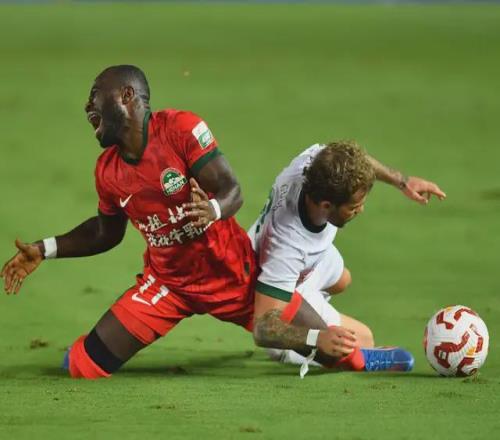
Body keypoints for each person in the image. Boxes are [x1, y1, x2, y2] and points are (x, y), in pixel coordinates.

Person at [0, 65, 257, 379]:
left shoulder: (180, 129)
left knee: (303, 340)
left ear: (126, 95)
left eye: (95, 94)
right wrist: (44, 249)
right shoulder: (107, 171)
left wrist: (213, 210)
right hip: (168, 285)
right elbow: (104, 233)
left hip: (231, 272)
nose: (87, 105)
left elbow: (232, 189)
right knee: (82, 364)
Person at [248, 141, 446, 374]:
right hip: (280, 286)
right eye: (353, 207)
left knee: (343, 279)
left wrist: (402, 182)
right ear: (326, 205)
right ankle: (286, 351)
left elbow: (355, 163)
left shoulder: (316, 163)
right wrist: (316, 337)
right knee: (363, 339)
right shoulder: (287, 246)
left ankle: (314, 310)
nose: (360, 210)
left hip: (303, 264)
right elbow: (263, 327)